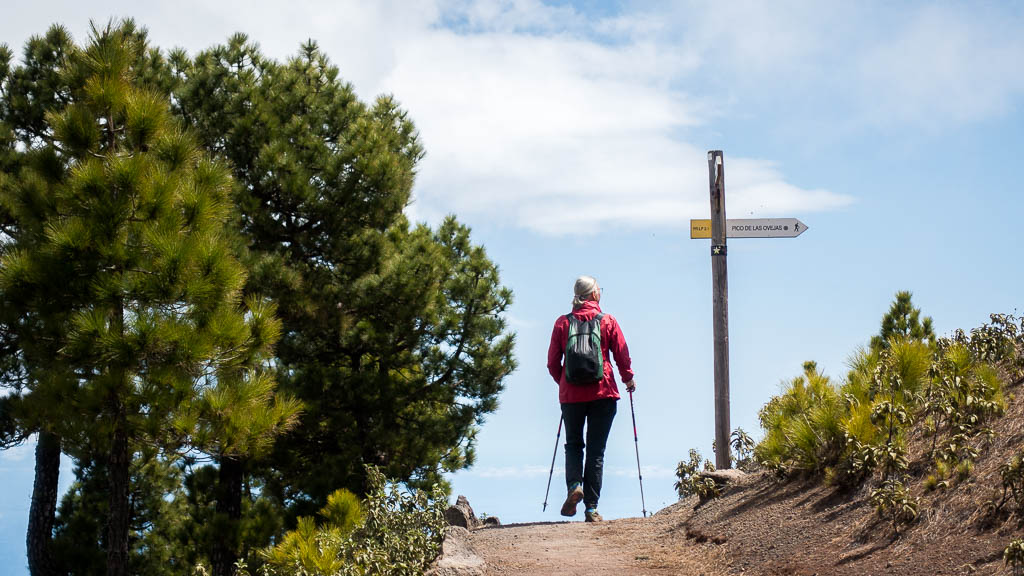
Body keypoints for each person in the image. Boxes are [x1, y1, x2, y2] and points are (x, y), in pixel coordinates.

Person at [547, 275, 635, 522]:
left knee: (574, 445)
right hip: (603, 393)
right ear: (594, 295)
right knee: (596, 451)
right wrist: (628, 379)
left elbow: (552, 362)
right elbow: (622, 354)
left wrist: (565, 382)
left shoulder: (562, 324)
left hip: (571, 396)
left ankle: (575, 484)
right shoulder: (607, 321)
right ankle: (591, 509)